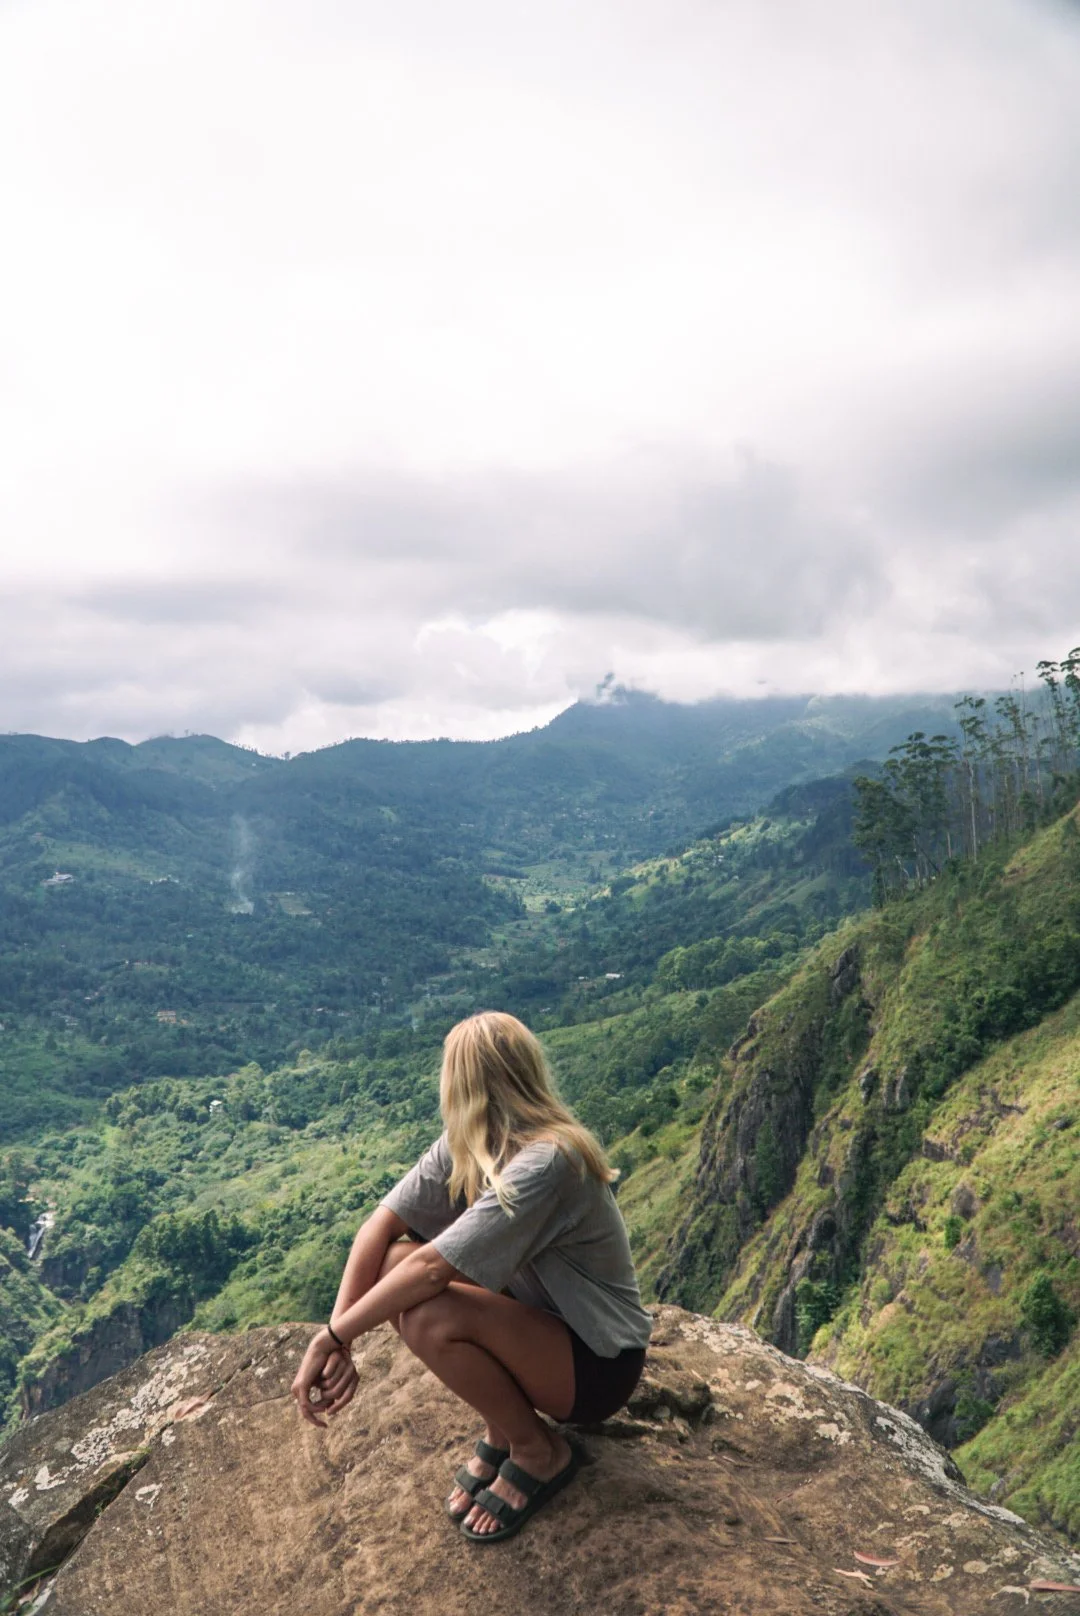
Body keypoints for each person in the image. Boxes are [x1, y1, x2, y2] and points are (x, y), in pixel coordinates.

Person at [290, 1010, 652, 1543]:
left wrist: (336, 1337)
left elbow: (432, 1269)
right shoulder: (471, 1146)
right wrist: (338, 1330)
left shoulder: (550, 1161)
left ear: (459, 1083)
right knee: (394, 1267)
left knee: (427, 1312)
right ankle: (505, 1429)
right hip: (545, 1333)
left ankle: (539, 1449)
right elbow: (381, 1227)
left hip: (598, 1365)